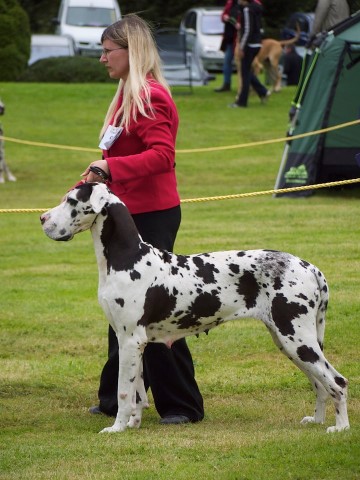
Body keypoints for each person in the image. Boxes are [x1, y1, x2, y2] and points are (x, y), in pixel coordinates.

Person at [82, 14, 204, 425]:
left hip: (151, 215)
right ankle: (115, 399)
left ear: (129, 52)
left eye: (107, 51)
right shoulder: (124, 95)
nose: (102, 58)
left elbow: (161, 156)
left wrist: (111, 168)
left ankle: (181, 404)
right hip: (125, 212)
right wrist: (99, 174)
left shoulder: (151, 96)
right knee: (123, 304)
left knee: (156, 310)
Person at [230, 0, 270, 108]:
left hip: (250, 44)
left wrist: (242, 47)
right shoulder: (256, 7)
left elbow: (247, 30)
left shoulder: (247, 9)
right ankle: (263, 92)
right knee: (247, 71)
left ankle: (242, 102)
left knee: (245, 73)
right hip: (257, 43)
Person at [214, 0, 240, 93]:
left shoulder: (244, 4)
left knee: (241, 65)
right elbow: (223, 14)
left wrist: (239, 25)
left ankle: (244, 86)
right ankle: (226, 84)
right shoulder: (230, 3)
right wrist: (224, 17)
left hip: (238, 39)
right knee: (227, 62)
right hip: (229, 38)